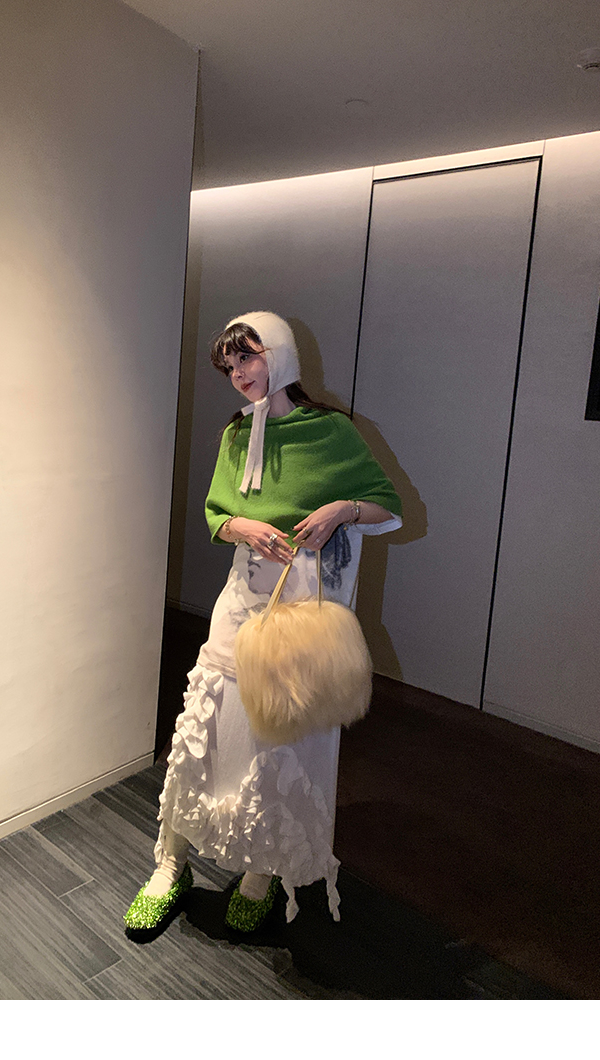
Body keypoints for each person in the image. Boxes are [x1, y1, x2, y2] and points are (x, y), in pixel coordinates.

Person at [124, 311, 402, 934]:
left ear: (280, 354)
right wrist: (240, 525)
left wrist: (341, 509)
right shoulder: (235, 434)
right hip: (242, 598)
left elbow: (388, 508)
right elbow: (216, 512)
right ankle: (170, 862)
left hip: (301, 608)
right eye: (229, 365)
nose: (239, 374)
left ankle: (260, 871)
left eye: (247, 357)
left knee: (280, 732)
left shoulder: (331, 431)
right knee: (206, 720)